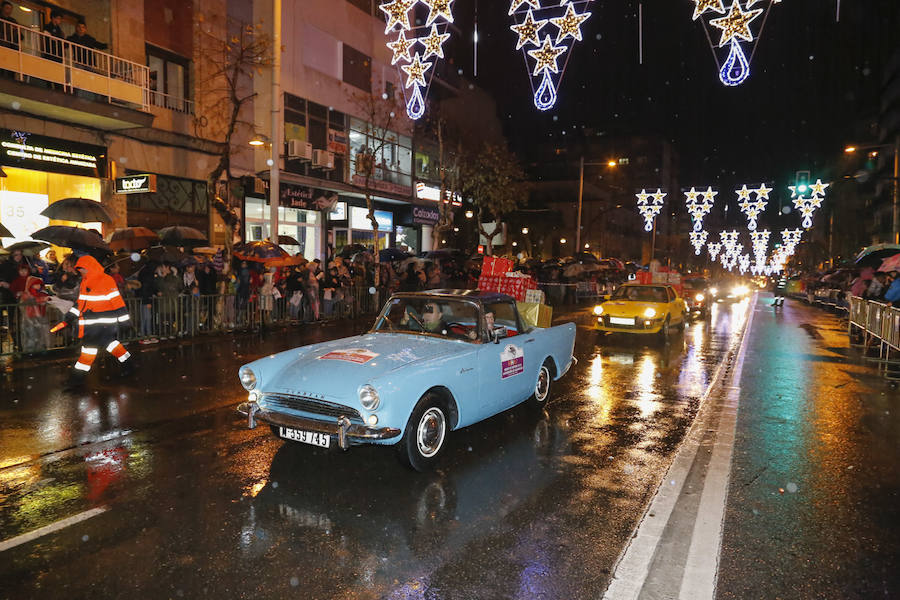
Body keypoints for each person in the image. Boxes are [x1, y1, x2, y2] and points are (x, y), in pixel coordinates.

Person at [50, 255, 132, 388]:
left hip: (102, 324)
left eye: (81, 269)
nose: (80, 272)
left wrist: (125, 322)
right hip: (95, 324)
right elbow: (81, 304)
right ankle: (129, 366)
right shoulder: (85, 281)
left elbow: (117, 303)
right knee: (112, 346)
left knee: (88, 351)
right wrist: (70, 317)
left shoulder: (106, 280)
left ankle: (76, 380)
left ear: (88, 268)